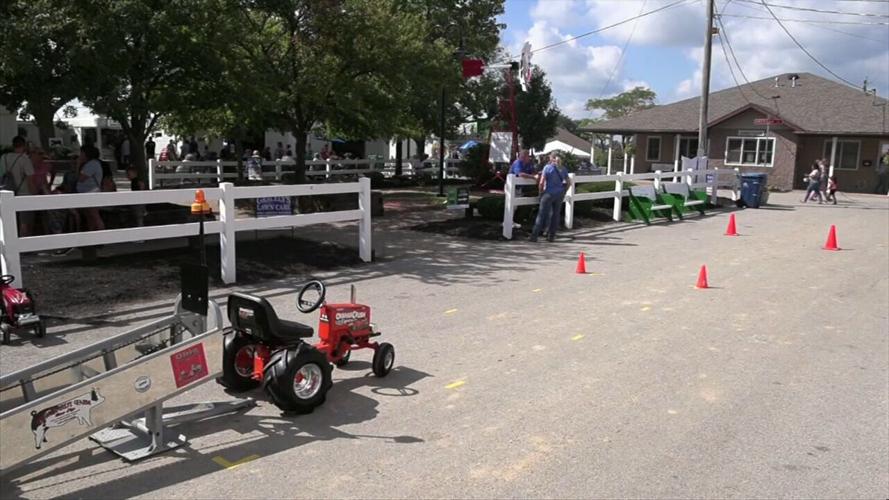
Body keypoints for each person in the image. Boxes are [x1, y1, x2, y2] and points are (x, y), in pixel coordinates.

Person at [1, 136, 39, 236]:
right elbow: (30, 179)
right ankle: (24, 246)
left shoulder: (4, 158)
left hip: (7, 192)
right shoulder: (24, 159)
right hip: (24, 193)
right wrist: (35, 193)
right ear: (24, 146)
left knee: (9, 221)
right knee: (25, 223)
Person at [530, 155, 570, 242]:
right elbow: (569, 182)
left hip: (549, 193)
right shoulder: (563, 168)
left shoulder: (547, 168)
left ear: (551, 158)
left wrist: (540, 192)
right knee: (555, 215)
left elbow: (541, 182)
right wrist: (564, 192)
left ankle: (534, 236)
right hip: (559, 194)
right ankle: (551, 236)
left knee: (541, 214)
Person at [76, 145, 105, 232]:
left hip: (91, 192)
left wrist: (78, 165)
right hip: (87, 193)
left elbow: (81, 178)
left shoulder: (92, 164)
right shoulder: (91, 164)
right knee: (89, 216)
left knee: (94, 215)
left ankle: (101, 237)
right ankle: (92, 235)